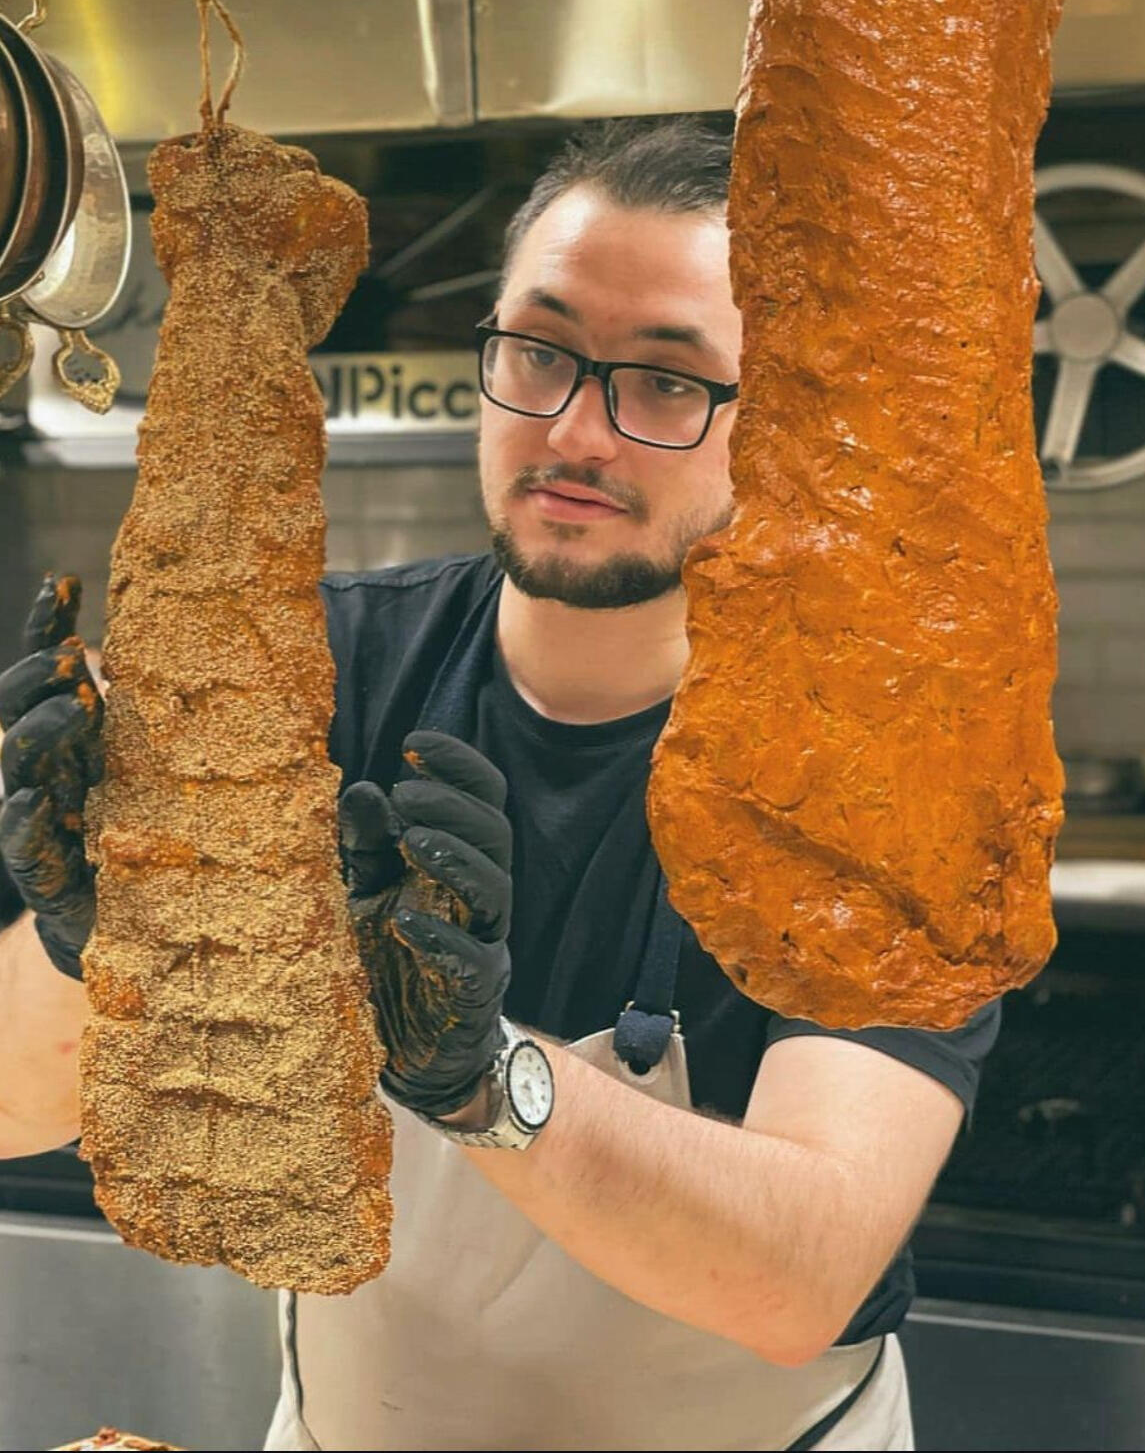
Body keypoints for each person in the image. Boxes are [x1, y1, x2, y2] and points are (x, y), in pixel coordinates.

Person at [0, 118, 999, 1452]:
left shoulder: (888, 776)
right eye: (540, 352)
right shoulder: (312, 671)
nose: (577, 430)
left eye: (665, 382)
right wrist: (93, 945)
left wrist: (480, 1081)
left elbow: (796, 1279)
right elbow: (15, 1112)